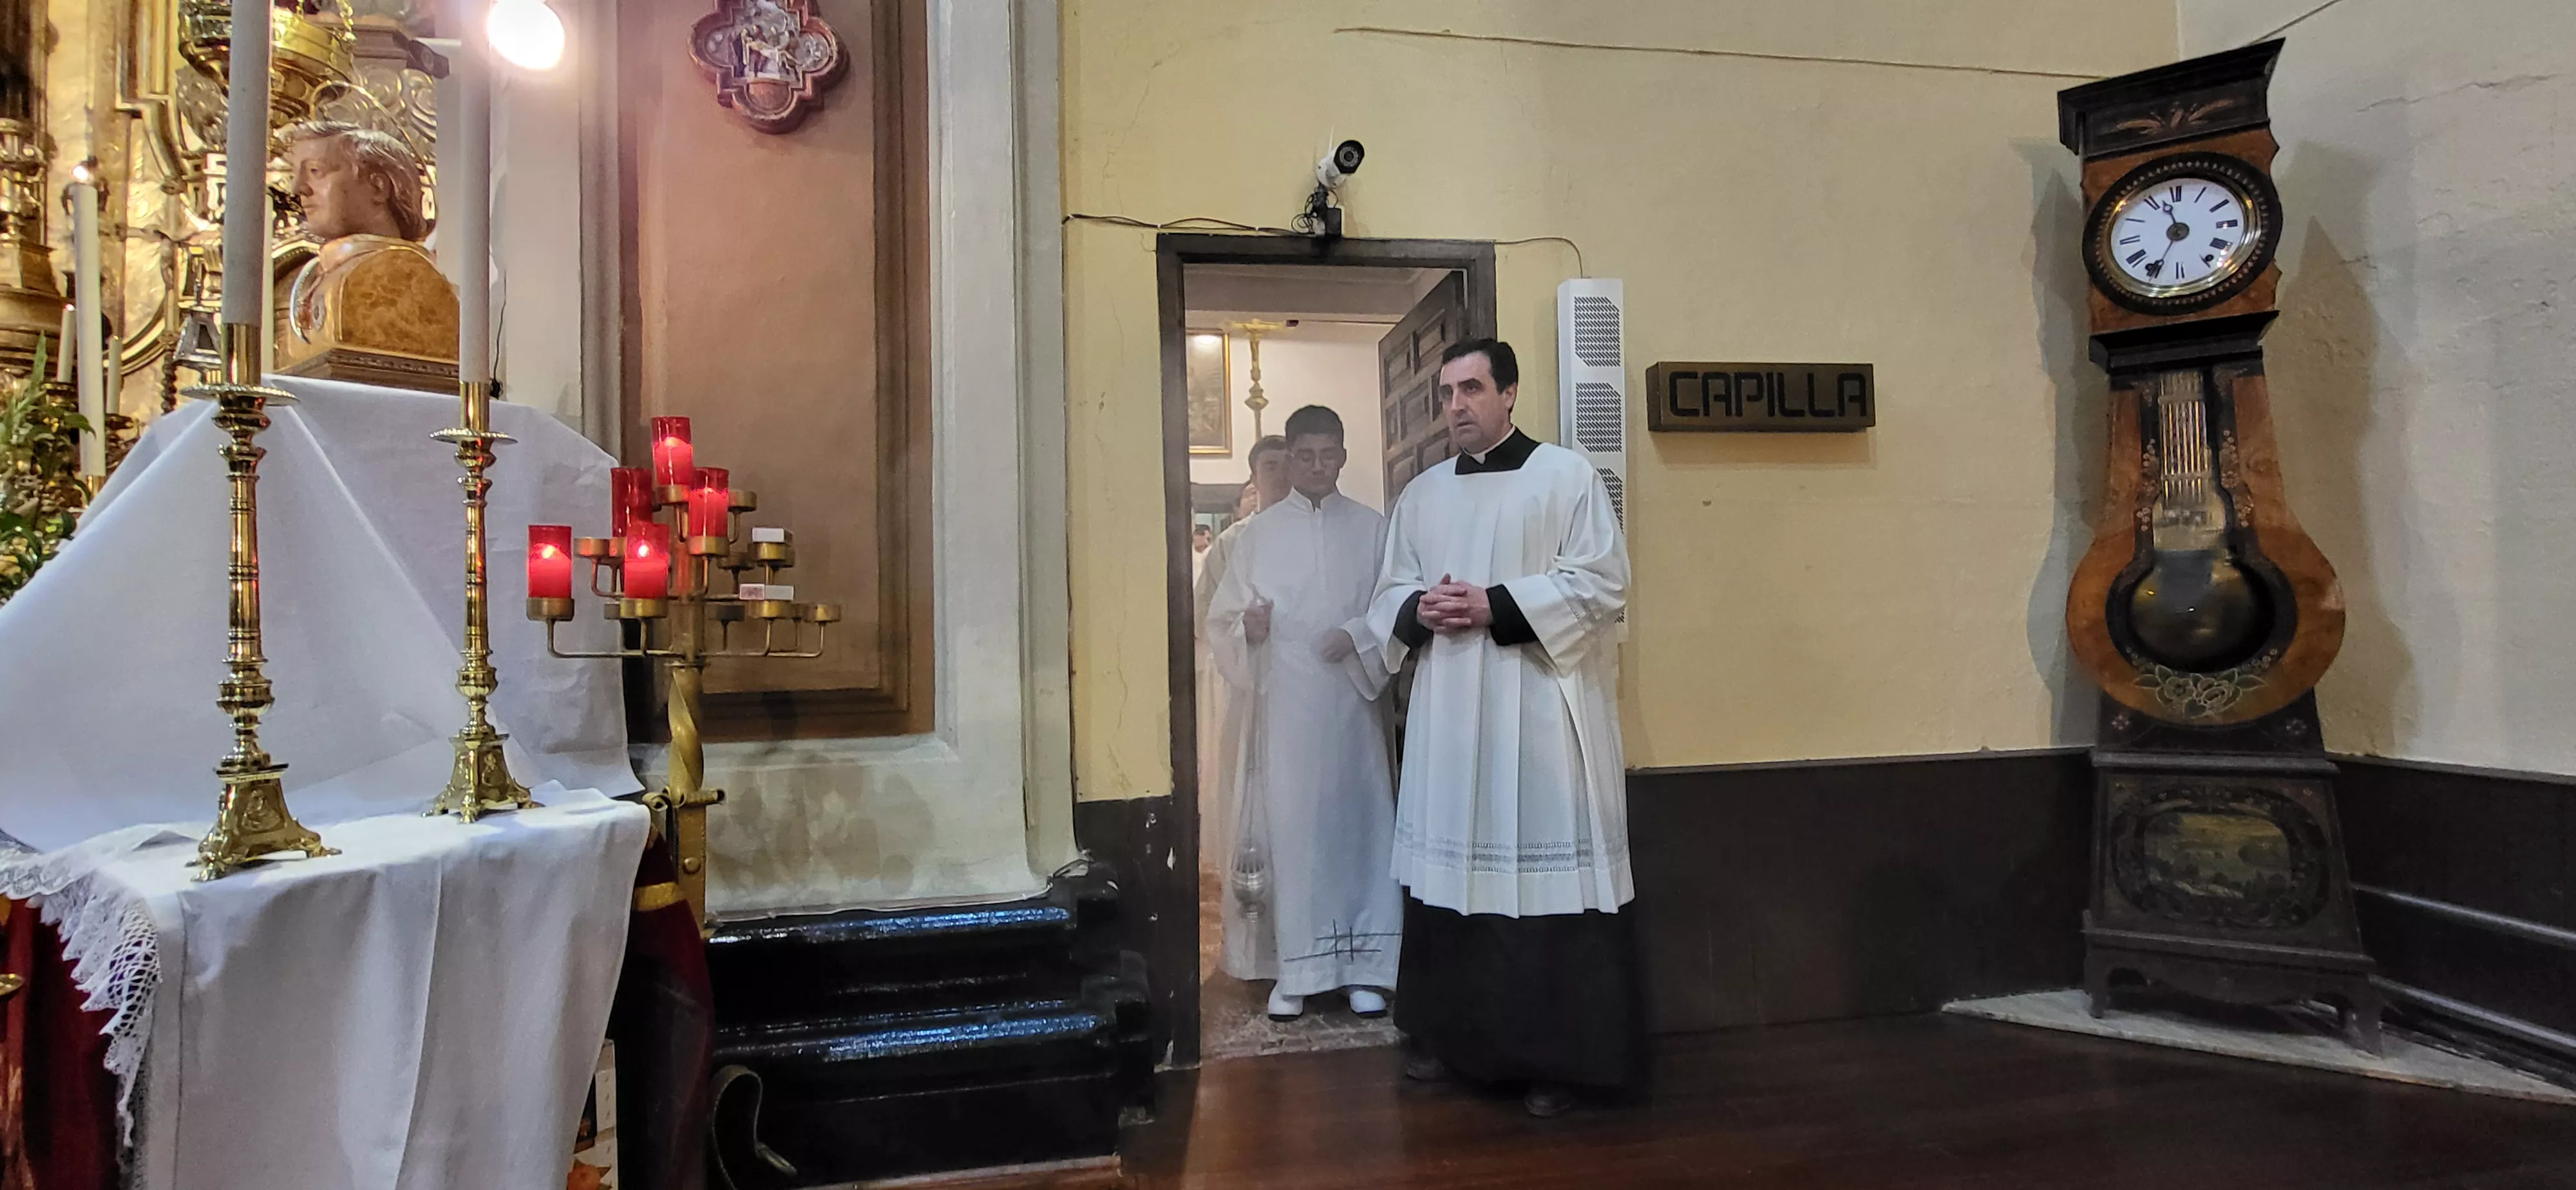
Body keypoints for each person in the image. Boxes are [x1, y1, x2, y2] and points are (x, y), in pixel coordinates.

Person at [1365, 338, 1638, 1118]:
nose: (1456, 405)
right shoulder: (1421, 495)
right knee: (1450, 878)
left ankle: (1554, 1061)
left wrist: (1497, 605)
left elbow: (1602, 581)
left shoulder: (1566, 477)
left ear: (1510, 393)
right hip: (1452, 714)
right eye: (1446, 393)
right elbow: (1390, 591)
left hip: (1538, 709)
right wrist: (1420, 608)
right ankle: (1447, 1040)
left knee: (1541, 883)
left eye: (1473, 388)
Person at [1206, 407, 1402, 1019]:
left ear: (1343, 455)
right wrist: (1250, 629)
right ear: (1290, 459)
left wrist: (1360, 635)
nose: (1317, 467)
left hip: (1353, 712)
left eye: (1328, 455)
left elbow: (1397, 603)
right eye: (1305, 456)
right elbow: (1222, 621)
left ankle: (1363, 967)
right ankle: (1293, 970)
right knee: (1294, 834)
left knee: (1358, 830)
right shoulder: (1257, 537)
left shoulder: (1374, 529)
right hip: (1286, 713)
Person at [1194, 440, 1290, 900]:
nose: (1281, 474)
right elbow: (1204, 618)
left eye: (1287, 463)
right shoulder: (1233, 542)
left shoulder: (1316, 530)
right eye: (1270, 466)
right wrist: (1244, 630)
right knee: (1251, 798)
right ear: (1254, 476)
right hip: (1249, 689)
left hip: (1303, 693)